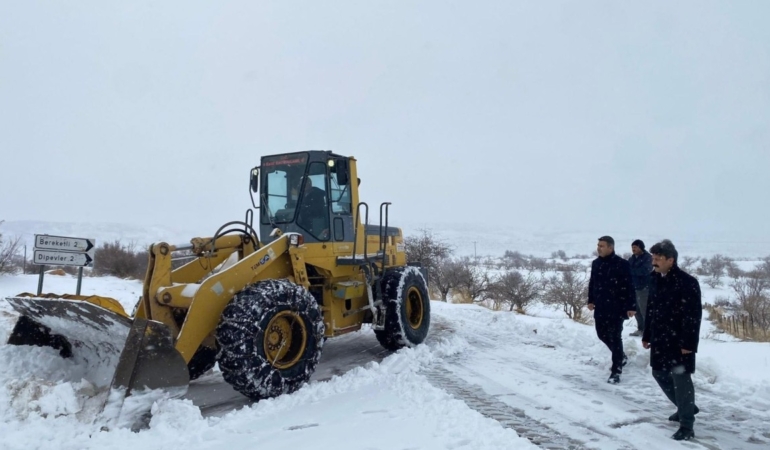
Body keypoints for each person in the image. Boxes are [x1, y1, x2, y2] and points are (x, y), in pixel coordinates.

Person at [642, 239, 702, 441]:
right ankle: (686, 407)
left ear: (671, 260)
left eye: (658, 258)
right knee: (659, 373)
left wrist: (689, 344)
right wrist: (647, 334)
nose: (654, 262)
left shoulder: (687, 282)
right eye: (653, 258)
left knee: (681, 380)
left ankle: (687, 425)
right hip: (660, 337)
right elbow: (651, 308)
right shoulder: (656, 278)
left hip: (679, 341)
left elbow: (693, 315)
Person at [587, 236, 636, 384]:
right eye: (598, 245)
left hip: (617, 307)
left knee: (615, 337)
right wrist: (590, 300)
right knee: (602, 334)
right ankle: (620, 356)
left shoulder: (622, 264)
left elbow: (630, 286)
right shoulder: (596, 264)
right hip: (601, 306)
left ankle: (616, 371)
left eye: (602, 246)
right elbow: (593, 283)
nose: (598, 248)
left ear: (611, 247)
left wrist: (631, 306)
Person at [628, 239, 653, 337]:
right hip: (634, 288)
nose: (633, 249)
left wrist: (632, 271)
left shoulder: (648, 258)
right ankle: (641, 329)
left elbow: (645, 271)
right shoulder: (632, 258)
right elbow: (627, 269)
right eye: (632, 247)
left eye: (635, 247)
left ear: (640, 247)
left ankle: (649, 331)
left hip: (644, 288)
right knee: (636, 311)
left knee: (645, 310)